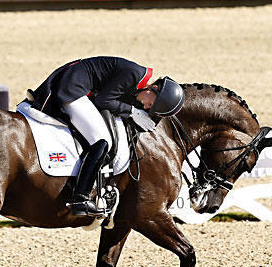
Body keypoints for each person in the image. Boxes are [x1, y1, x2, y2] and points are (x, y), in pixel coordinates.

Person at [30, 56, 185, 217]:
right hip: (73, 88)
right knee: (101, 140)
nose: (145, 107)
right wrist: (131, 111)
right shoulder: (133, 74)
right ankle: (80, 198)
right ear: (152, 88)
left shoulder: (137, 79)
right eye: (150, 104)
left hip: (78, 84)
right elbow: (103, 100)